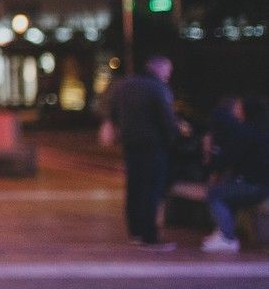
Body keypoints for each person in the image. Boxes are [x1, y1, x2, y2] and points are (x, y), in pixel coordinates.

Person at [107, 55, 186, 251]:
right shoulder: (157, 88)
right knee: (152, 190)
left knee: (134, 187)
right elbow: (166, 119)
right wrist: (176, 136)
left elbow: (113, 111)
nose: (169, 75)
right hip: (153, 145)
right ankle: (149, 235)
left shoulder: (125, 85)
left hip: (130, 143)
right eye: (168, 70)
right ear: (160, 70)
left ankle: (135, 232)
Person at [201, 96, 269, 253]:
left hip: (255, 186)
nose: (235, 110)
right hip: (262, 185)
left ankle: (227, 237)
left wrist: (212, 165)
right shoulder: (262, 131)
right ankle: (223, 232)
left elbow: (228, 158)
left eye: (238, 107)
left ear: (246, 111)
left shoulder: (245, 132)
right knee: (229, 189)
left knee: (215, 194)